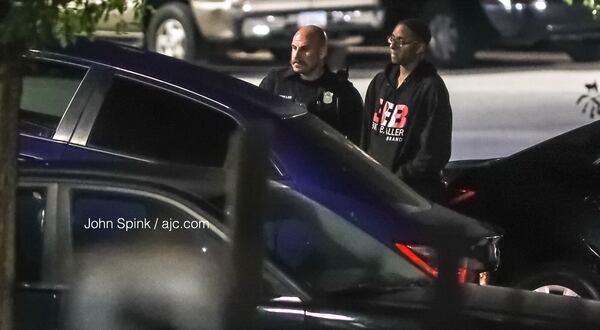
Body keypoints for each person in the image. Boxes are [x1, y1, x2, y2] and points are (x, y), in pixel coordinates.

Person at [360, 18, 452, 202]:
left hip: (413, 194)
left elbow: (434, 152)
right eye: (391, 39)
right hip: (377, 188)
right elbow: (365, 137)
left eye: (401, 41)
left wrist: (398, 178)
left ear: (420, 48)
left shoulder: (431, 88)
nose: (393, 46)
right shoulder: (380, 83)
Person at [259, 25, 363, 144]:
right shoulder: (275, 82)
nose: (296, 56)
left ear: (322, 52)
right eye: (294, 48)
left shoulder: (342, 92)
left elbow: (356, 142)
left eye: (304, 49)